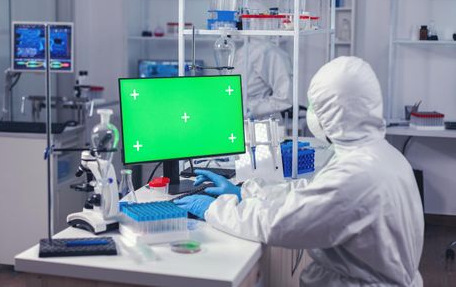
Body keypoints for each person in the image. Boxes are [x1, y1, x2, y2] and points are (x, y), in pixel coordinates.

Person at [175, 56, 424, 286]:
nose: (312, 113)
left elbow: (278, 224)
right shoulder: (380, 154)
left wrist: (213, 208)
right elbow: (309, 194)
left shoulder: (356, 174)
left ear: (336, 111)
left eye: (317, 106)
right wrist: (245, 192)